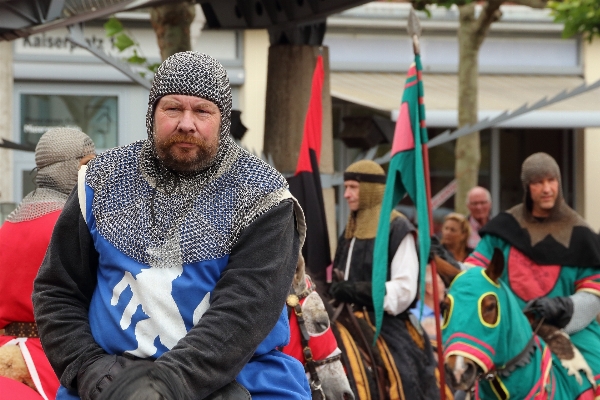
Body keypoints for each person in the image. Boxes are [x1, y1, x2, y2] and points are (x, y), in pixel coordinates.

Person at [32, 52, 310, 400]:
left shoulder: (263, 196)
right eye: (173, 108)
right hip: (110, 383)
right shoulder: (100, 181)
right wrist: (89, 368)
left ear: (222, 120)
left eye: (202, 111)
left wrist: (161, 387)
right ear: (153, 114)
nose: (186, 123)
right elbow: (57, 292)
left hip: (238, 382)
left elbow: (242, 316)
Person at [465, 152, 600, 393]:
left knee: (593, 378)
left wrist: (564, 307)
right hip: (507, 330)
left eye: (551, 180)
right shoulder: (505, 229)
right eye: (538, 182)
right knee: (462, 384)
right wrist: (449, 267)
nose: (546, 189)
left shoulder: (581, 235)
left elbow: (592, 294)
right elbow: (474, 274)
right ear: (528, 187)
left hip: (567, 328)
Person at [329, 160, 439, 400]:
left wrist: (358, 291)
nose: (346, 194)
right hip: (342, 318)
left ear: (371, 189)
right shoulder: (349, 230)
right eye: (346, 187)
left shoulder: (398, 228)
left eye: (352, 187)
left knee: (404, 377)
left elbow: (404, 289)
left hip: (385, 323)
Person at [0, 127, 95, 399]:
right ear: (69, 168)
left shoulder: (8, 224)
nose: (95, 174)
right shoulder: (68, 226)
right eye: (89, 164)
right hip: (51, 358)